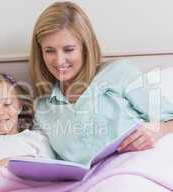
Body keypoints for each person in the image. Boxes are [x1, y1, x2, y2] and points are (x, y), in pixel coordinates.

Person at [29, 1, 173, 162]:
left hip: (131, 171)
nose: (59, 60)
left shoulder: (119, 73)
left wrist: (157, 131)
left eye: (69, 49)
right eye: (49, 51)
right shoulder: (42, 109)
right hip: (82, 184)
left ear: (85, 47)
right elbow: (42, 157)